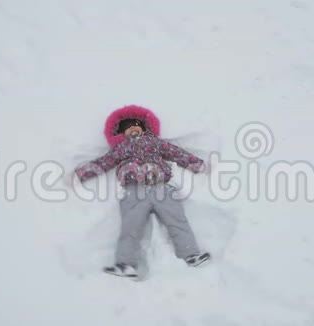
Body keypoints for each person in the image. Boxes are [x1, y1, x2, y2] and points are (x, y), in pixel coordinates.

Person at [73, 105, 211, 279]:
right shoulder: (121, 148)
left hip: (161, 188)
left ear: (145, 127)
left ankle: (191, 255)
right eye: (128, 128)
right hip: (134, 192)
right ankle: (126, 264)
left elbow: (175, 152)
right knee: (130, 227)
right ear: (122, 133)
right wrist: (82, 173)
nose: (133, 128)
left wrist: (195, 164)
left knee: (177, 221)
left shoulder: (155, 143)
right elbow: (104, 162)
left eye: (137, 125)